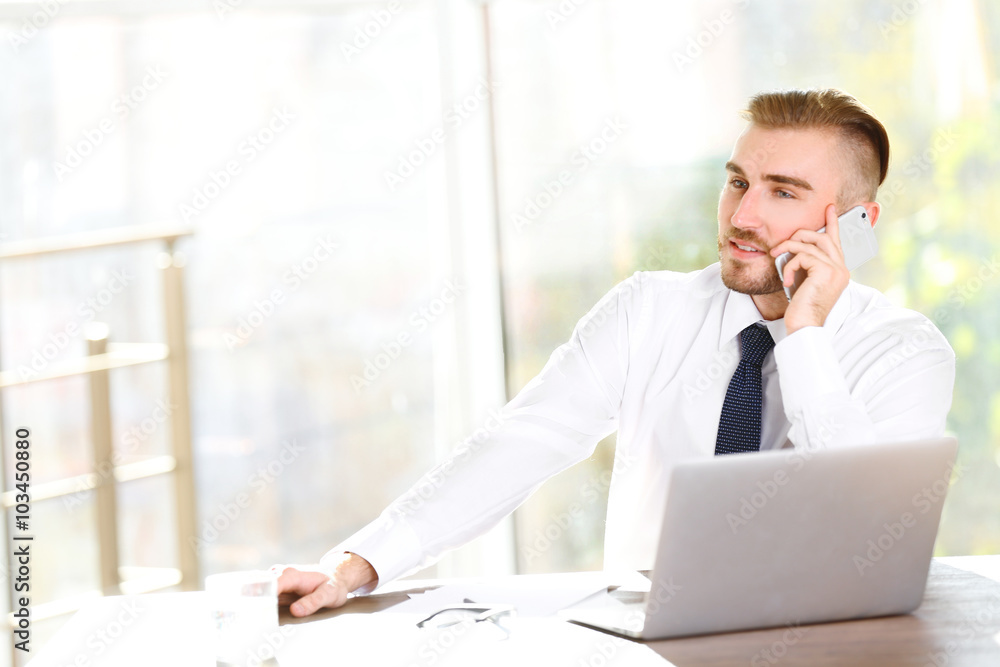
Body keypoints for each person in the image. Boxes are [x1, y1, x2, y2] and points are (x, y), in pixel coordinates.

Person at [275, 88, 955, 617]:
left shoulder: (905, 352)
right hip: (649, 647)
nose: (743, 215)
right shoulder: (648, 311)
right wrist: (356, 565)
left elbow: (869, 526)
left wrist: (806, 335)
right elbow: (519, 442)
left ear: (855, 225)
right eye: (739, 181)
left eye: (783, 191)